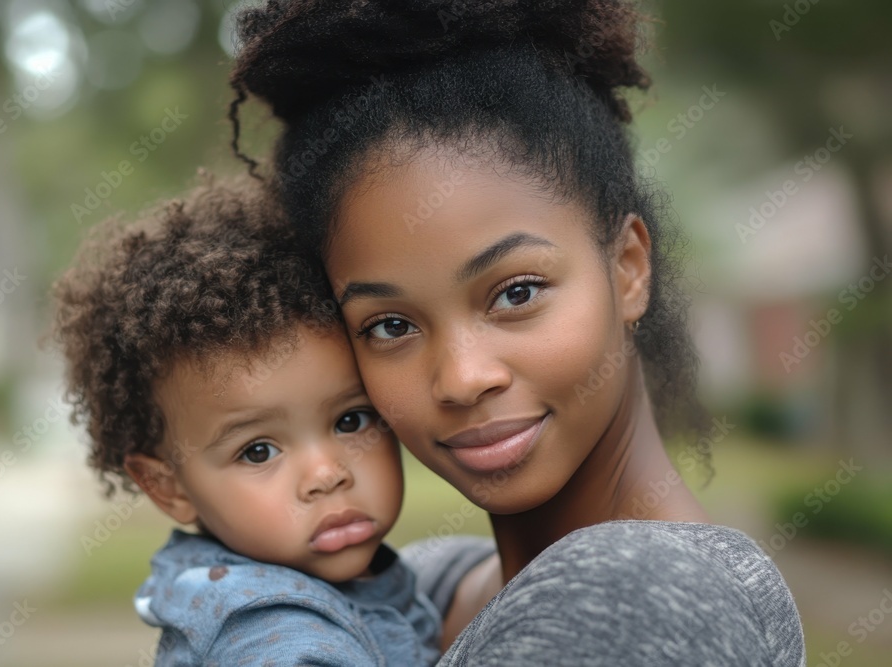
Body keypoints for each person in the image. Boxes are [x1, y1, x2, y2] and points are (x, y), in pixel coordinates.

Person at [228, 0, 807, 664]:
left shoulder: (637, 594)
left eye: (516, 292)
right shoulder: (427, 586)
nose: (462, 377)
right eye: (390, 325)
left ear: (627, 268)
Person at [49, 177, 441, 666]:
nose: (327, 474)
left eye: (350, 420)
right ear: (169, 488)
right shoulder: (270, 635)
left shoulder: (369, 584)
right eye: (258, 451)